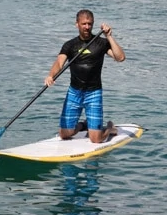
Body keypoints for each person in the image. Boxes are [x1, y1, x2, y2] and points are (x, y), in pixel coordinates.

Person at [45, 9, 126, 143]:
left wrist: (109, 37)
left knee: (96, 140)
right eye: (84, 24)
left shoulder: (101, 43)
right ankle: (84, 125)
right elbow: (59, 63)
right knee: (64, 134)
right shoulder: (70, 45)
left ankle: (110, 129)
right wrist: (50, 76)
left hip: (93, 93)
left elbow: (120, 58)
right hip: (74, 92)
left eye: (90, 24)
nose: (87, 27)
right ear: (77, 24)